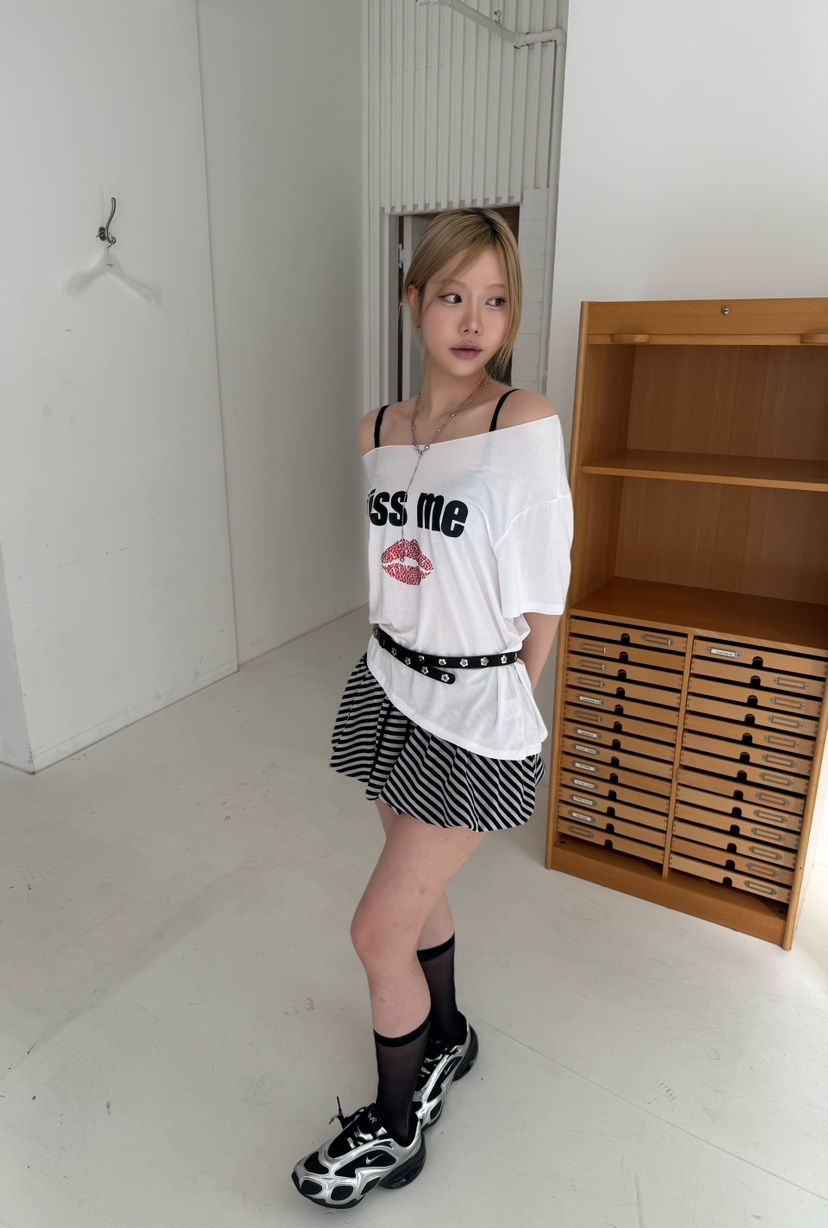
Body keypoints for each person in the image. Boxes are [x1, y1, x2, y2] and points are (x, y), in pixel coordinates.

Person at [292, 208, 573, 1210]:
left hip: (472, 708)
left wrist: (496, 701)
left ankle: (397, 1123)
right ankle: (446, 1036)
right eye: (453, 294)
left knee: (379, 931)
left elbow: (544, 594)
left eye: (495, 300)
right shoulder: (377, 431)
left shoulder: (520, 422)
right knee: (412, 903)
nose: (474, 320)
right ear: (415, 301)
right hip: (389, 685)